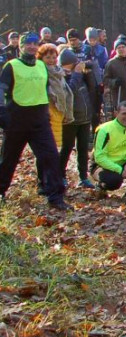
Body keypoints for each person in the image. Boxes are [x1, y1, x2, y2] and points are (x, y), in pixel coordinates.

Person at [0, 33, 68, 210]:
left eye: (34, 43)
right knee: (8, 160)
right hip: (16, 120)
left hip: (39, 121)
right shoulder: (11, 66)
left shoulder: (41, 65)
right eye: (27, 44)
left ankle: (55, 197)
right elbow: (1, 90)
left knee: (51, 157)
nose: (31, 46)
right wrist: (2, 113)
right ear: (21, 46)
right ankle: (0, 192)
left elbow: (45, 90)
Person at [59, 48, 96, 190]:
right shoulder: (63, 76)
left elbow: (92, 88)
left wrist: (88, 72)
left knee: (83, 148)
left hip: (85, 118)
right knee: (66, 148)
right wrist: (77, 73)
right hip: (70, 120)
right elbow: (70, 91)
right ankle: (61, 176)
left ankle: (83, 177)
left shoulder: (81, 75)